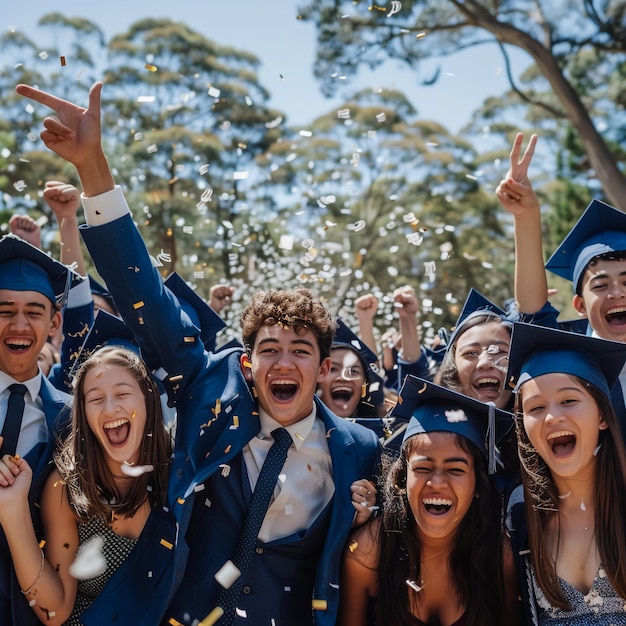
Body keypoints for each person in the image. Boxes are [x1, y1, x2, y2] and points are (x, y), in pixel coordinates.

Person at [16, 80, 381, 626]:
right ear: (246, 364)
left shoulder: (361, 448)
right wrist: (93, 166)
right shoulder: (208, 387)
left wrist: (370, 513)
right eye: (269, 350)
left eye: (301, 351)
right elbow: (145, 297)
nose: (284, 364)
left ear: (323, 368)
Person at [0, 345, 174, 625]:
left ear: (148, 400)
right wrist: (12, 511)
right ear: (82, 413)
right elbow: (55, 613)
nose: (110, 408)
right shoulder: (68, 486)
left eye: (122, 393)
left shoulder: (178, 472)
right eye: (95, 399)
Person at [339, 375, 520, 626]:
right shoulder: (368, 553)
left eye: (455, 470)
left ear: (478, 485)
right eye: (423, 468)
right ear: (402, 480)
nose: (437, 482)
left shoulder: (499, 555)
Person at [496, 131, 626, 430]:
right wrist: (526, 217)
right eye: (601, 285)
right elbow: (533, 311)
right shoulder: (569, 361)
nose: (617, 292)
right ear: (579, 304)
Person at [505, 322, 626, 624]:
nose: (552, 417)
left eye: (569, 401)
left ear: (602, 416)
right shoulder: (519, 518)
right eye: (535, 408)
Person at [0, 233, 80, 625]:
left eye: (34, 310)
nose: (18, 324)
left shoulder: (75, 421)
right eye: (4, 310)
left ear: (55, 322)